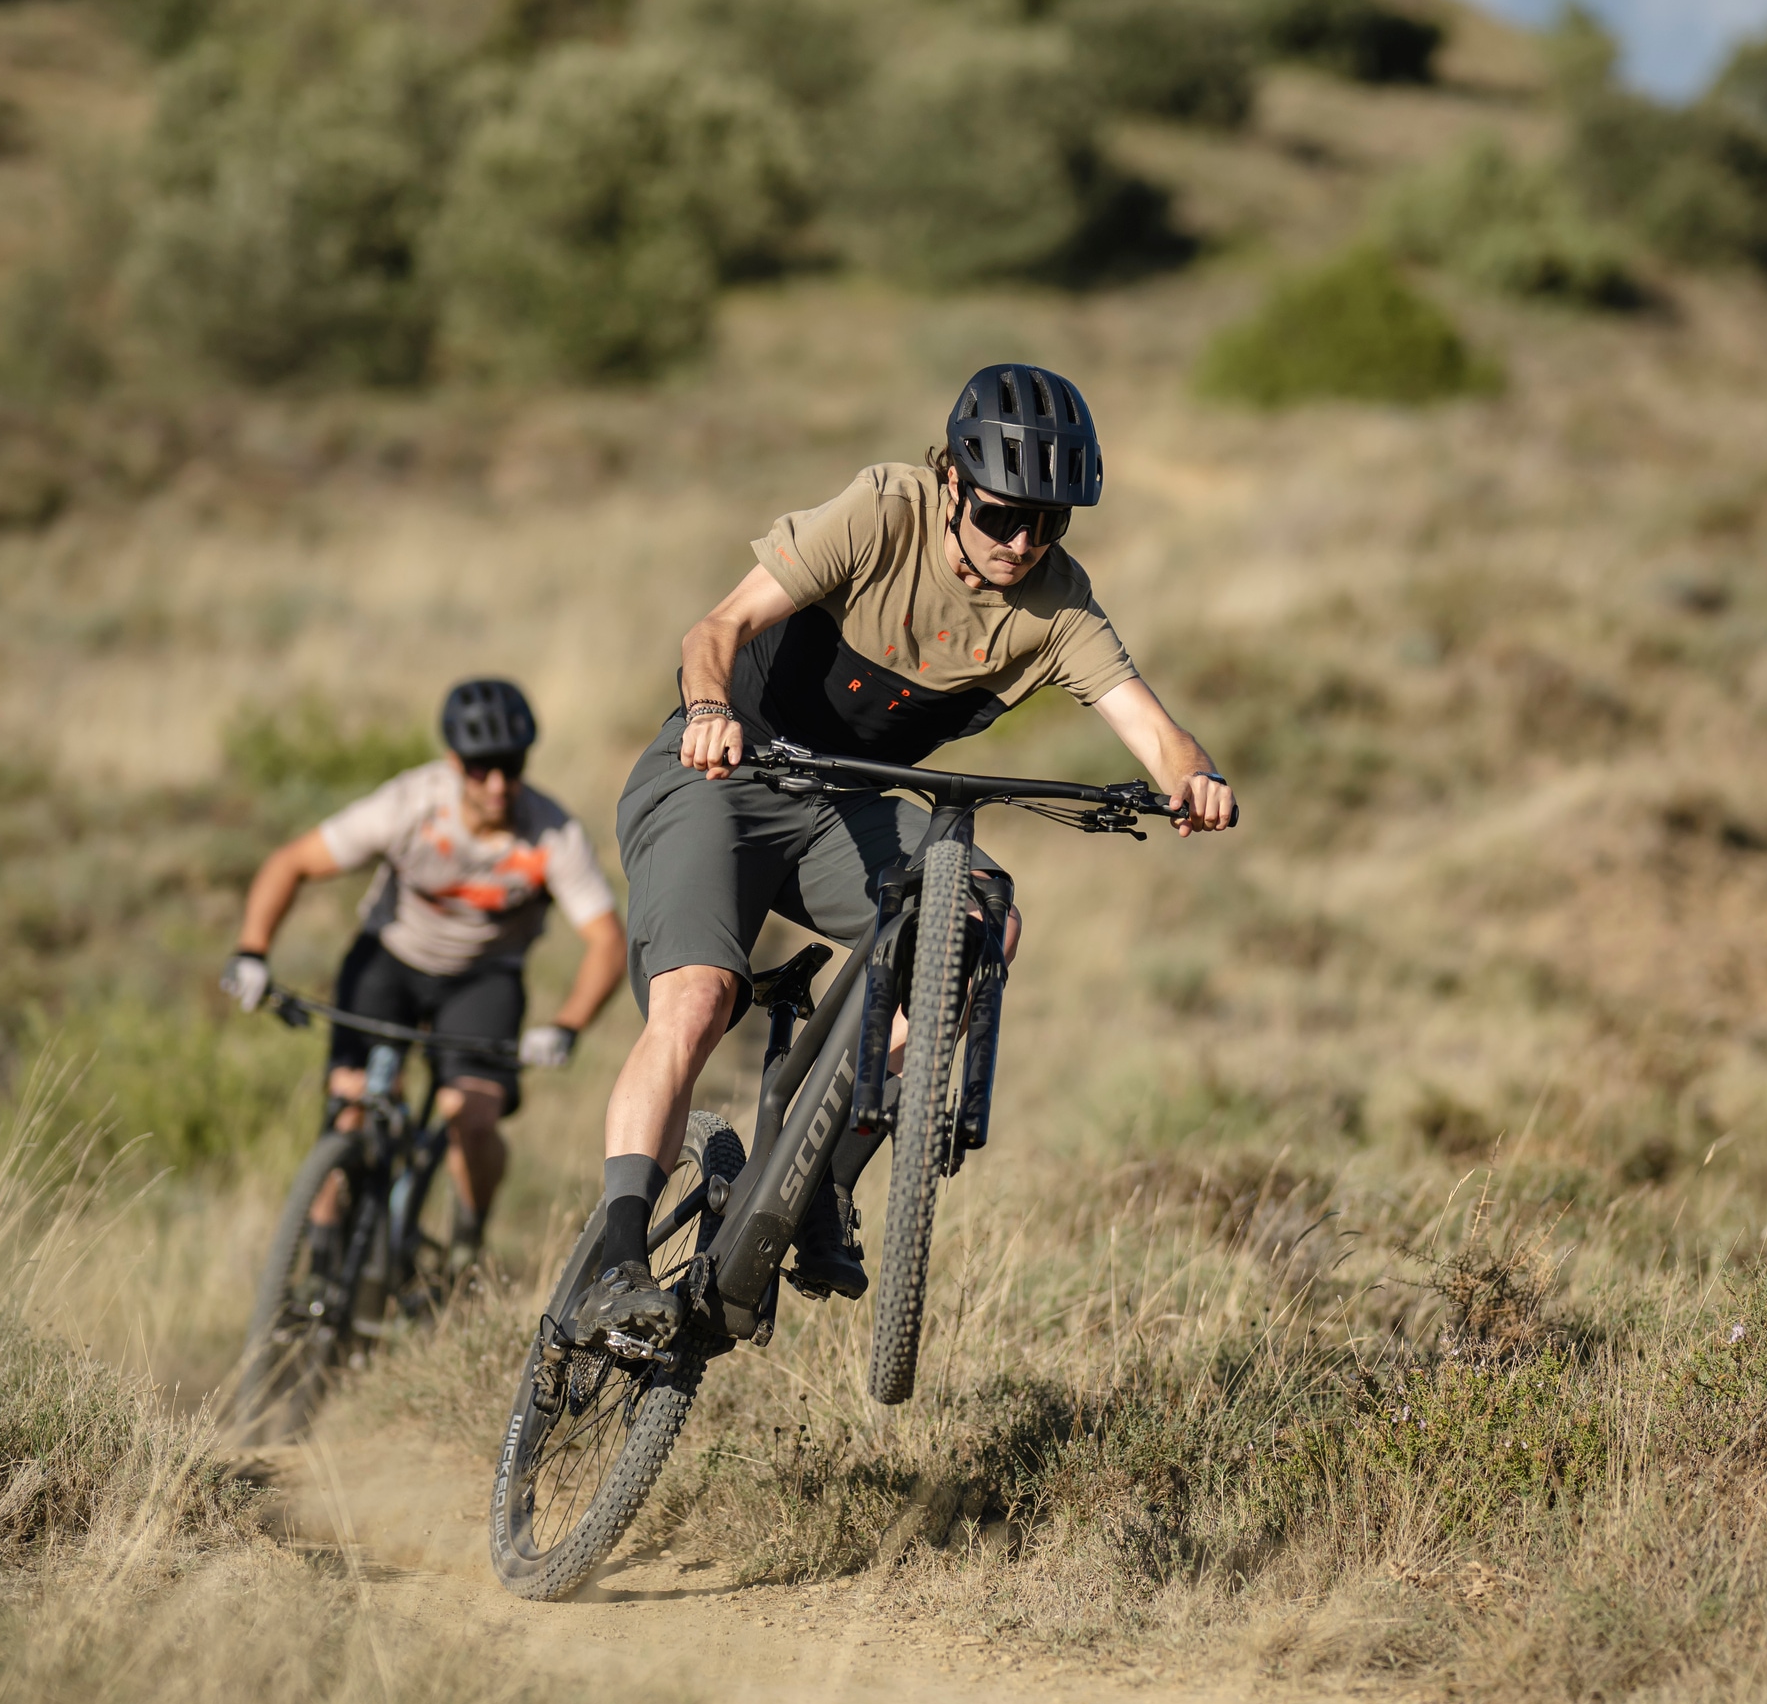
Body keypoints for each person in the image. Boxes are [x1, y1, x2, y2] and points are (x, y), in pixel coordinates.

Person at [581, 364, 1236, 1344]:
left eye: (1049, 523)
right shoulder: (882, 511)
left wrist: (1195, 775)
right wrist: (711, 709)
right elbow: (714, 628)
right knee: (699, 999)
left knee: (979, 918)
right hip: (717, 778)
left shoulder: (1057, 603)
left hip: (842, 808)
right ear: (955, 481)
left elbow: (1151, 728)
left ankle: (819, 1182)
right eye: (1005, 515)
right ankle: (615, 1260)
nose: (1023, 542)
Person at [224, 677, 626, 1287]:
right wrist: (251, 952)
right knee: (349, 1106)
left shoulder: (551, 834)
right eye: (481, 768)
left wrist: (568, 1025)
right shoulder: (410, 804)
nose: (497, 784)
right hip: (388, 956)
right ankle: (321, 1269)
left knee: (472, 1115)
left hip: (483, 977)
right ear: (454, 762)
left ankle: (467, 1241)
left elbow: (606, 941)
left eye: (511, 766)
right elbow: (292, 863)